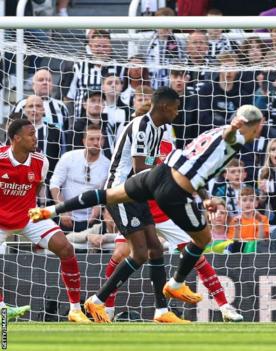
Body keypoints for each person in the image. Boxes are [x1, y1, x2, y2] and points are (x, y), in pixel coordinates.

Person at [29, 105, 264, 322]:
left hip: (164, 208)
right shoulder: (136, 142)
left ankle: (220, 306)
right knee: (127, 251)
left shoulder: (167, 145)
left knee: (190, 253)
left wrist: (203, 196)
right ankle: (106, 306)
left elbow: (184, 166)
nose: (161, 128)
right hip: (143, 201)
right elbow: (138, 169)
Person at [0, 119, 90, 323]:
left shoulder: (42, 161)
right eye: (31, 134)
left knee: (66, 247)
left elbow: (37, 188)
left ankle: (75, 309)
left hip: (28, 216)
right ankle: (1, 308)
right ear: (16, 138)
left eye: (35, 133)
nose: (36, 138)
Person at [50, 125, 110, 232]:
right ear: (83, 141)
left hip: (92, 219)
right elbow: (54, 184)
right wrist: (62, 210)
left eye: (99, 139)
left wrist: (97, 209)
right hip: (66, 215)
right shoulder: (68, 157)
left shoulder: (107, 165)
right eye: (91, 139)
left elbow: (105, 192)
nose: (96, 142)